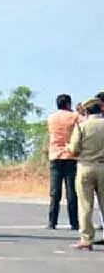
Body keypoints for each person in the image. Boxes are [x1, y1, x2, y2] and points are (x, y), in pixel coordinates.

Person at [66, 98, 104, 250]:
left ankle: (86, 238)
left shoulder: (82, 126)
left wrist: (68, 147)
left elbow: (74, 149)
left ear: (87, 111)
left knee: (85, 205)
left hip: (85, 166)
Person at [46, 94, 80, 231]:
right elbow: (84, 123)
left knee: (55, 192)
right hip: (70, 155)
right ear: (68, 104)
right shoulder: (74, 116)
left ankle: (52, 222)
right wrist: (78, 111)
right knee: (72, 192)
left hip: (55, 155)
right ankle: (74, 222)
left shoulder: (51, 118)